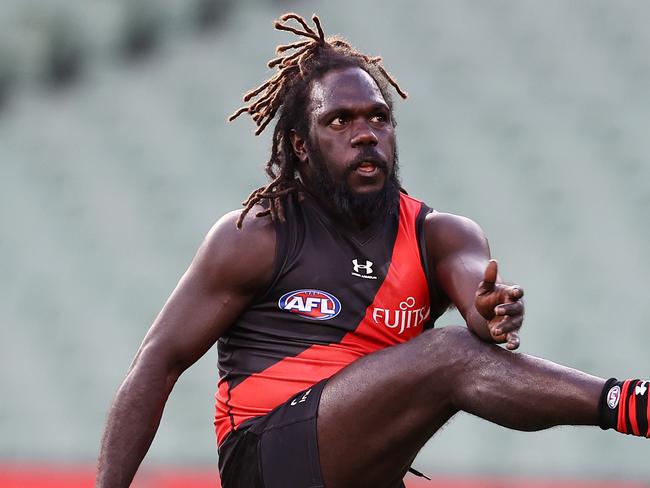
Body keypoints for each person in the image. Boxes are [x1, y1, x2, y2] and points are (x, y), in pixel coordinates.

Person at [96, 13, 648, 488]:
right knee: (446, 354)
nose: (365, 134)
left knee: (459, 353)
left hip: (365, 470)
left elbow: (481, 316)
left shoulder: (440, 235)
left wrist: (492, 309)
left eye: (378, 118)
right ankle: (631, 404)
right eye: (339, 120)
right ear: (299, 145)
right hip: (267, 460)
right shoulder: (256, 235)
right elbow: (157, 364)